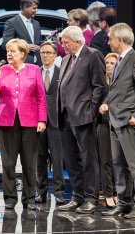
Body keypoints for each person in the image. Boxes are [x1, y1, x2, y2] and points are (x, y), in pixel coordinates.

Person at [99, 23, 135, 219]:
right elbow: (116, 90)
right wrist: (106, 103)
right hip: (115, 120)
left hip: (129, 122)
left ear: (119, 40)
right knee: (118, 165)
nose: (108, 41)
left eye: (110, 38)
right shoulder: (120, 60)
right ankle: (124, 202)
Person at [0, 38, 47, 211]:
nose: (9, 54)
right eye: (8, 51)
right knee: (8, 163)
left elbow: (40, 97)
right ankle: (10, 198)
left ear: (22, 53)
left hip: (29, 121)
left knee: (29, 163)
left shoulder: (34, 70)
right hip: (6, 122)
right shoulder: (2, 69)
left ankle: (29, 199)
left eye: (13, 51)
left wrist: (42, 119)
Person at [56, 26, 106, 214]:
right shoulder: (66, 59)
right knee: (71, 159)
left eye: (65, 42)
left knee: (88, 158)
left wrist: (91, 111)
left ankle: (91, 198)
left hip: (83, 115)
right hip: (65, 115)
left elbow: (100, 86)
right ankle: (77, 196)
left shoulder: (92, 55)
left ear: (77, 41)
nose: (63, 45)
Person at [35, 41, 66, 205]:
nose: (45, 55)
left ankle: (59, 192)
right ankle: (40, 192)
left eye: (48, 52)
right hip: (38, 123)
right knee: (40, 159)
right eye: (43, 53)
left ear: (55, 55)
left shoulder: (62, 73)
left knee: (57, 159)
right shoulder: (34, 72)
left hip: (57, 123)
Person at [97, 52, 119, 209]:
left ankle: (120, 192)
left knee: (119, 161)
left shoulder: (121, 83)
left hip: (120, 124)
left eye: (113, 63)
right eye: (107, 63)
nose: (109, 66)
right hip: (103, 124)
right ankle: (108, 193)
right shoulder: (100, 83)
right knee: (105, 161)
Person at [2, 0, 42, 64]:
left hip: (37, 65)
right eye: (34, 8)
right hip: (21, 65)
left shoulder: (36, 23)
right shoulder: (12, 23)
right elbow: (6, 45)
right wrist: (25, 47)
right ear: (25, 8)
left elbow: (39, 43)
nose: (36, 10)